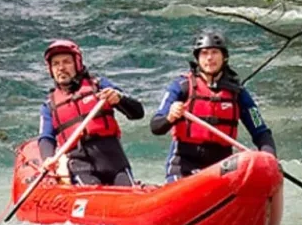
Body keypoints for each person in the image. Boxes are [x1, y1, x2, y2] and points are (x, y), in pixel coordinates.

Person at [151, 29, 275, 182]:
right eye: (204, 53)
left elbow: (261, 131)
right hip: (184, 163)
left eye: (215, 52)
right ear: (197, 58)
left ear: (224, 57)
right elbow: (156, 126)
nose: (209, 58)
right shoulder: (181, 86)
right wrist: (170, 117)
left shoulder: (238, 93)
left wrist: (269, 158)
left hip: (221, 165)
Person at [37, 39, 145, 186]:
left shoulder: (100, 86)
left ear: (77, 63)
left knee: (128, 192)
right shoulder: (49, 106)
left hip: (114, 160)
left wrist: (119, 99)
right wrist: (48, 158)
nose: (61, 68)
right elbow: (46, 138)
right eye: (55, 64)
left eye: (66, 62)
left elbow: (137, 113)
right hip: (80, 165)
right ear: (50, 69)